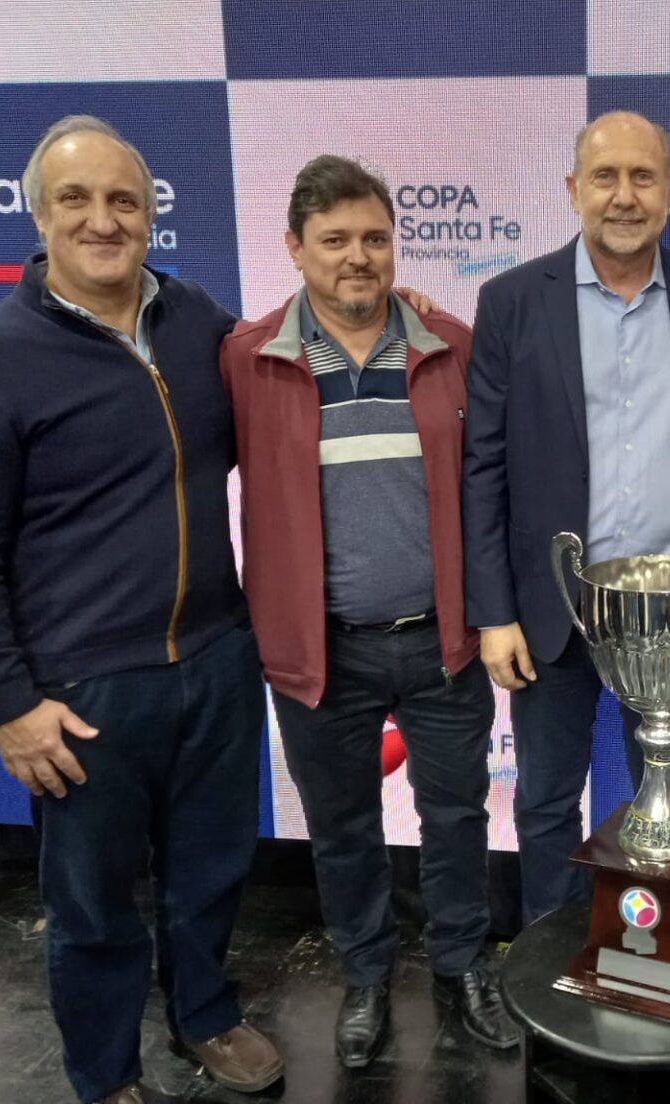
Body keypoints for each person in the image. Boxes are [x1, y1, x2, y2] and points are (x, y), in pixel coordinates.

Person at [0, 115, 282, 1104]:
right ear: (39, 215)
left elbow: (290, 376)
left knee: (212, 869)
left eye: (124, 199)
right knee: (90, 907)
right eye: (76, 199)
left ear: (153, 213)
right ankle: (105, 1074)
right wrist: (8, 704)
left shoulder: (198, 319)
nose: (102, 219)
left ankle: (205, 1012)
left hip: (215, 658)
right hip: (82, 695)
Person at [220, 155, 519, 1064]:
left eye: (376, 239)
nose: (360, 257)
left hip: (442, 646)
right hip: (321, 655)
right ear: (295, 249)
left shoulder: (451, 344)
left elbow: (500, 479)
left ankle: (463, 966)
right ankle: (363, 974)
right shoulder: (247, 357)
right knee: (343, 829)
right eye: (337, 240)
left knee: (459, 818)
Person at [461, 110, 670, 924]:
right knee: (547, 801)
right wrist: (493, 613)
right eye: (605, 177)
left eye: (642, 177)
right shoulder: (513, 300)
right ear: (572, 190)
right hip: (550, 611)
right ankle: (552, 956)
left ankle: (660, 962)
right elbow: (482, 465)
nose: (624, 196)